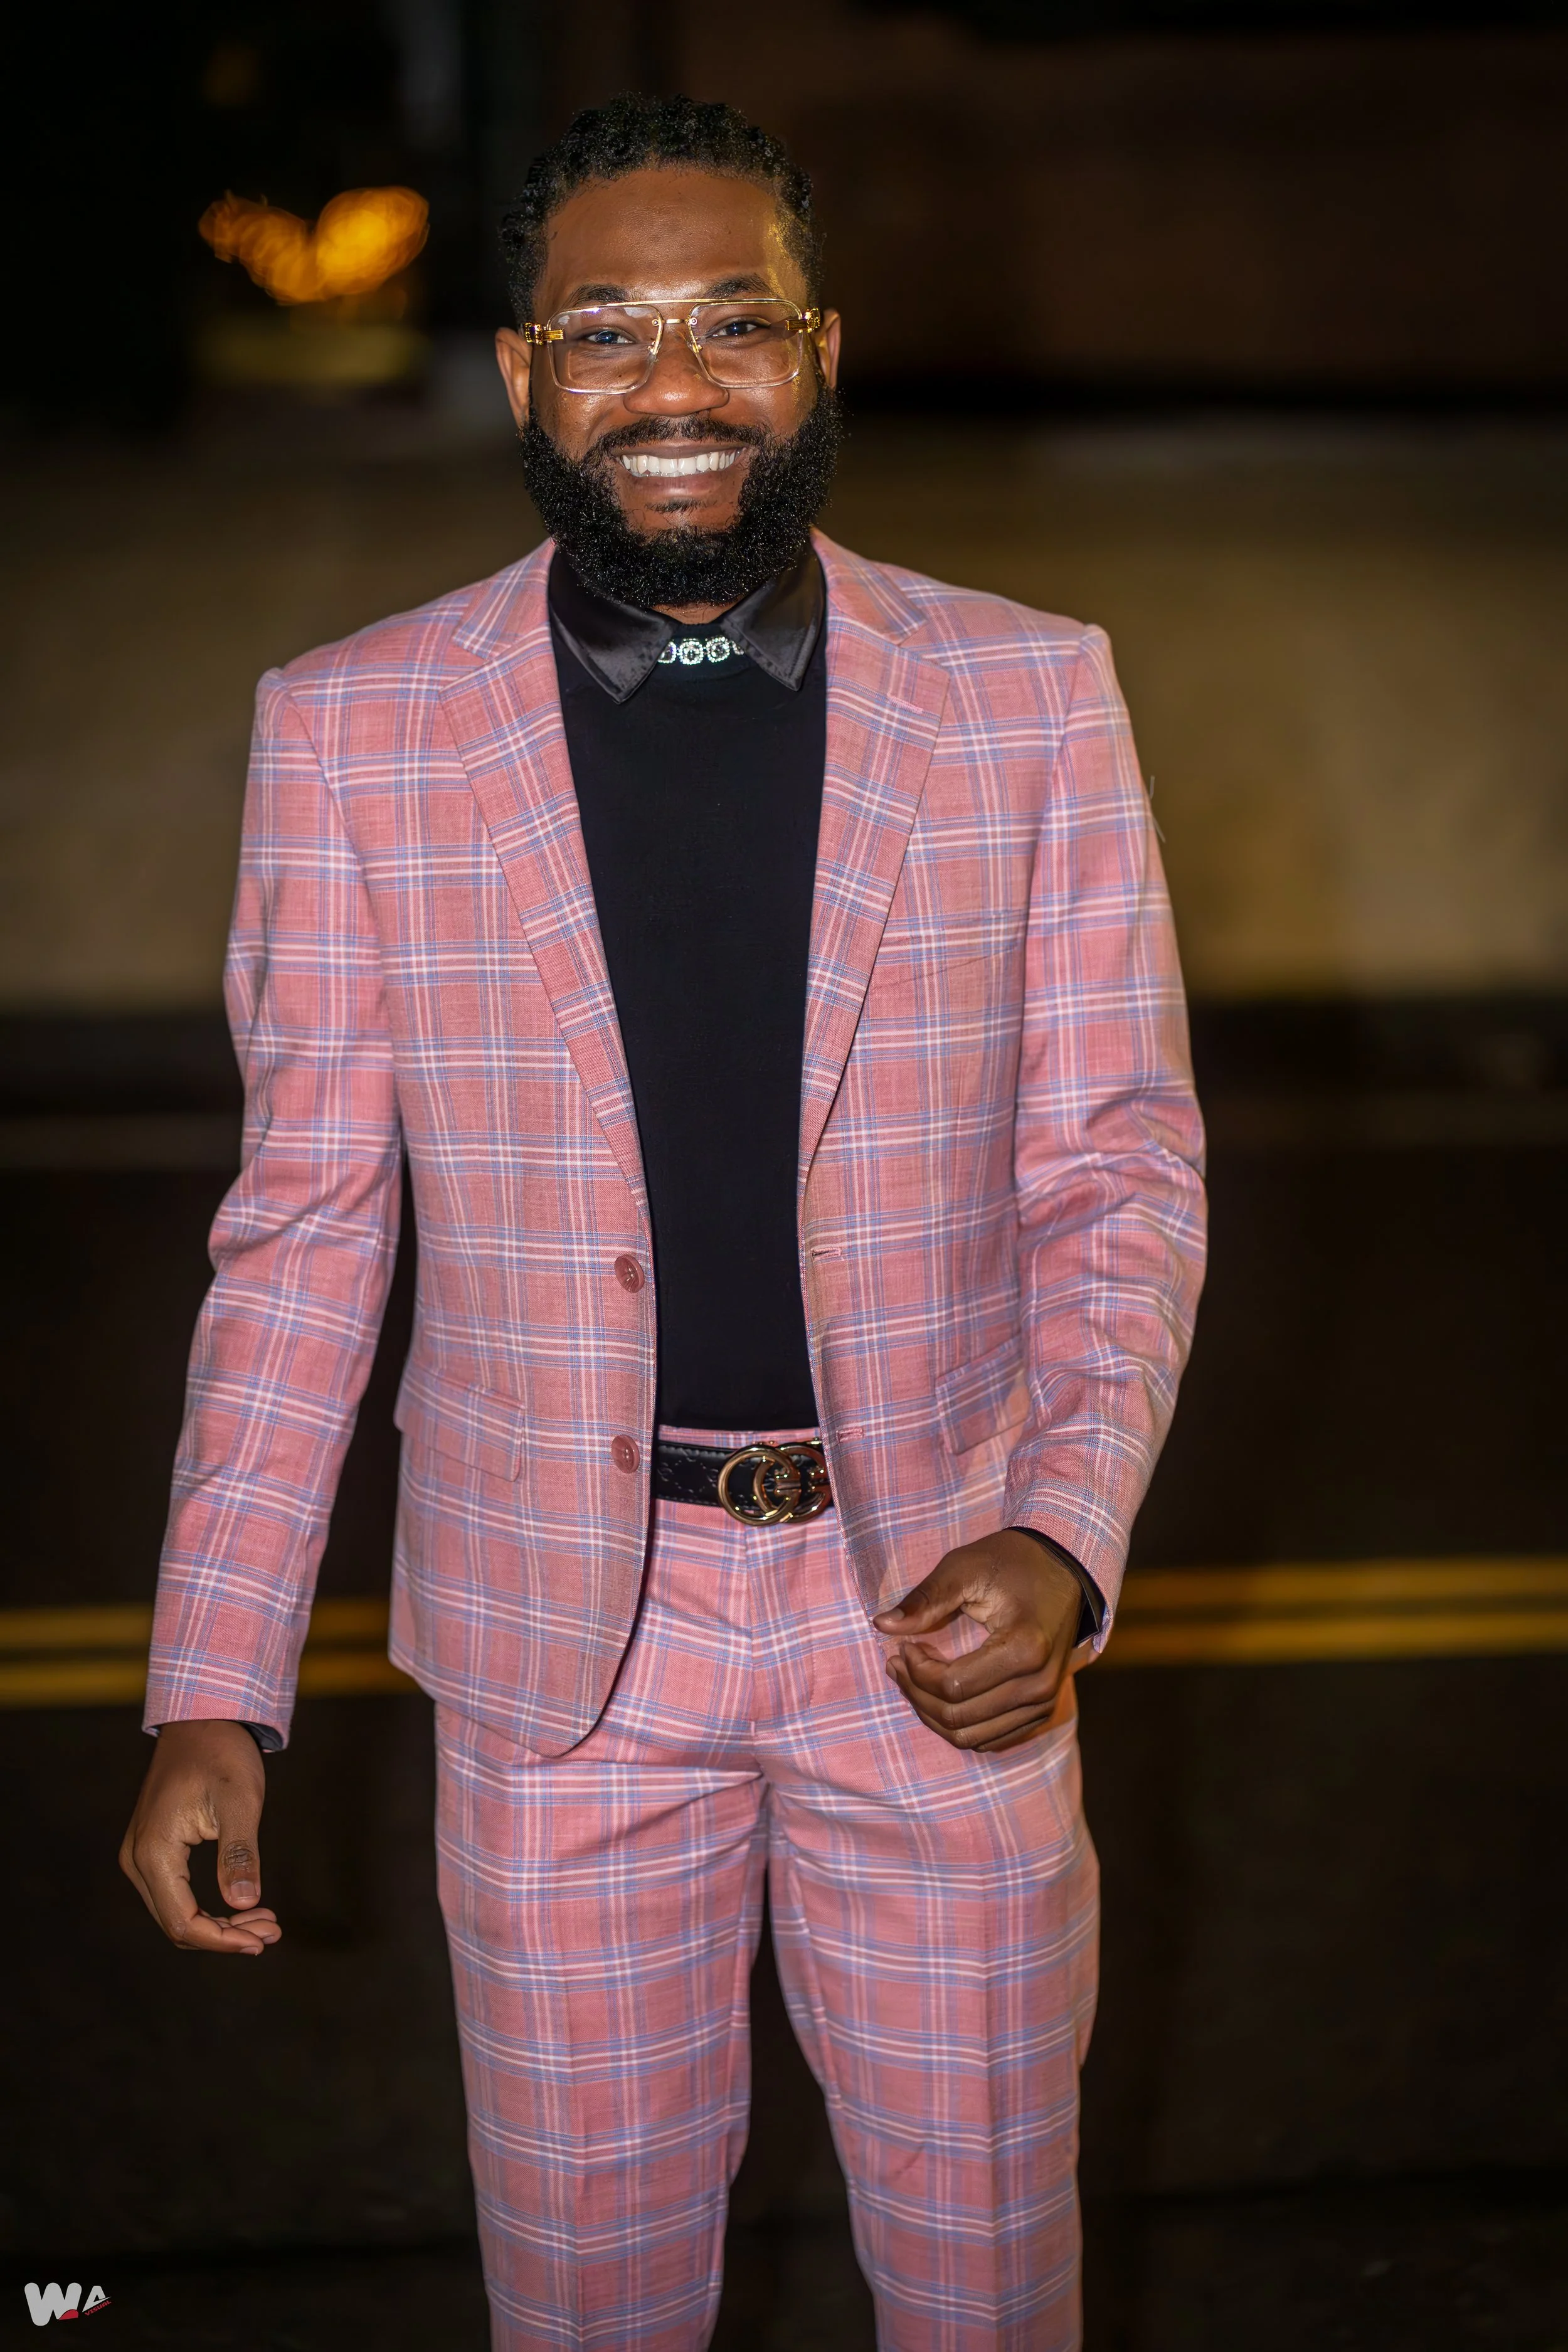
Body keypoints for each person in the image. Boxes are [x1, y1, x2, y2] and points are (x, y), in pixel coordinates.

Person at [120, 95, 1205, 2352]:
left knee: (986, 2290)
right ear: (523, 377)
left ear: (822, 357)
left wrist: (1067, 1526)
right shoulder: (349, 734)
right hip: (553, 1677)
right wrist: (216, 1682)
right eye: (604, 332)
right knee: (590, 2306)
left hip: (939, 1629)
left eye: (733, 325)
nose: (673, 384)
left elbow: (1115, 1161)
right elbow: (304, 1231)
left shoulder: (1029, 694)